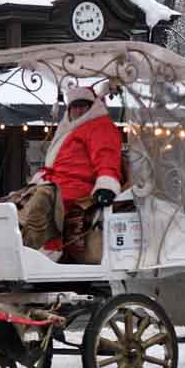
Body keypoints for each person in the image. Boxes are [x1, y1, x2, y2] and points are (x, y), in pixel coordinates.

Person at [18, 85, 122, 262]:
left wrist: (107, 184)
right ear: (69, 109)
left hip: (78, 187)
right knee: (17, 199)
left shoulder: (99, 126)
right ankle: (16, 241)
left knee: (45, 196)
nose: (78, 109)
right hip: (57, 183)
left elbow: (106, 156)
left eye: (83, 105)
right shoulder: (71, 128)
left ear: (92, 107)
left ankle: (42, 249)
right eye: (75, 106)